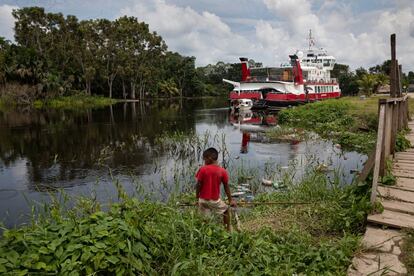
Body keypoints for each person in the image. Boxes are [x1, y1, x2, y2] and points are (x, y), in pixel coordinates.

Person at [196, 147, 237, 231]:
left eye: (205, 159)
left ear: (209, 158)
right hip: (214, 201)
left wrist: (197, 198)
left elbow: (198, 185)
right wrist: (230, 200)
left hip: (202, 200)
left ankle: (205, 232)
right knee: (225, 210)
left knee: (205, 218)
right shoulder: (222, 171)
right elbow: (226, 187)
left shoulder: (202, 169)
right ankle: (227, 230)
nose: (204, 162)